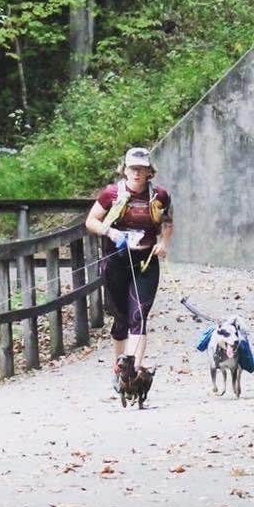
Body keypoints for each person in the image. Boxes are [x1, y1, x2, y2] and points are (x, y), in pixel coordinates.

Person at [85, 147, 173, 385]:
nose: (137, 173)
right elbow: (91, 220)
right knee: (121, 318)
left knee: (139, 316)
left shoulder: (160, 196)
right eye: (132, 168)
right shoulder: (111, 194)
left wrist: (163, 243)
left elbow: (167, 222)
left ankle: (131, 374)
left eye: (142, 169)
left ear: (149, 172)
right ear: (124, 170)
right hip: (116, 261)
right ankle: (119, 368)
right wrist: (111, 232)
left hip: (145, 262)